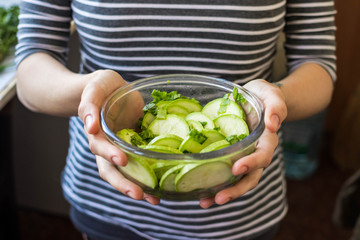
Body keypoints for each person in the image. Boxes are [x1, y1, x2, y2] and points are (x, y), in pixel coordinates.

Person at [15, 0, 336, 239]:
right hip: (110, 201)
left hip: (238, 209)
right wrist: (91, 95)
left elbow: (318, 64)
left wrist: (274, 98)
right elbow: (31, 69)